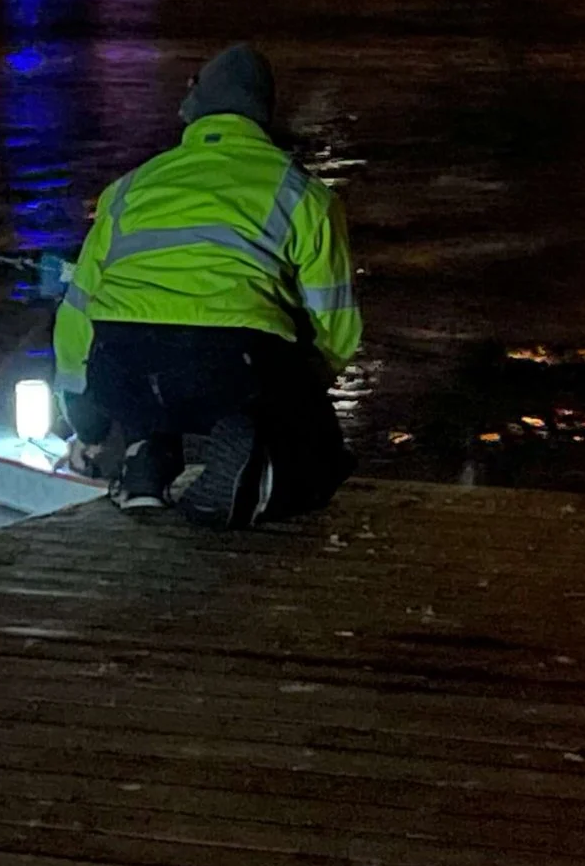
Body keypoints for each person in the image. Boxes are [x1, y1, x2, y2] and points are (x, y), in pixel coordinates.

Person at [54, 43, 361, 528]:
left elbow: (76, 315)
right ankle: (248, 461)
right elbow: (336, 327)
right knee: (318, 457)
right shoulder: (303, 195)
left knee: (141, 329)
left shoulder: (129, 188)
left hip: (122, 372)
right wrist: (297, 400)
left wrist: (86, 419)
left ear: (193, 110)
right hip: (226, 373)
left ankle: (145, 463)